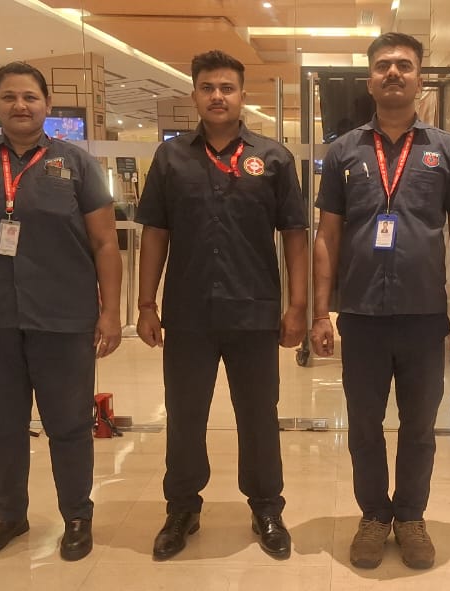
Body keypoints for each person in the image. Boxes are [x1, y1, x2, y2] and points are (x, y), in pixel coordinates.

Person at [0, 61, 122, 562]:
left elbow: (105, 243)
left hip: (63, 318)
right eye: (9, 96)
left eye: (30, 97)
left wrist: (110, 311)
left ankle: (77, 516)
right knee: (1, 426)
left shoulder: (76, 165)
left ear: (47, 105)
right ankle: (9, 515)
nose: (20, 105)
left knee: (69, 425)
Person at [311, 32, 450, 571]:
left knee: (419, 426)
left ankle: (409, 517)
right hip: (361, 316)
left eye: (404, 65)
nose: (393, 73)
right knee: (363, 425)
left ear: (419, 79)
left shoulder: (447, 150)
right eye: (383, 65)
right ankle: (372, 516)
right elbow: (327, 236)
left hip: (424, 317)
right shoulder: (344, 152)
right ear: (369, 81)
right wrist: (320, 312)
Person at [135, 49, 308, 561]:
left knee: (258, 414)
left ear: (242, 95)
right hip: (188, 313)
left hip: (253, 312)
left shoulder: (273, 158)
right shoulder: (171, 158)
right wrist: (145, 304)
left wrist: (297, 306)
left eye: (227, 88)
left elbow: (295, 235)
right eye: (207, 87)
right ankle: (182, 508)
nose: (217, 96)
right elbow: (155, 233)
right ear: (194, 94)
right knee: (185, 415)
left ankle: (267, 507)